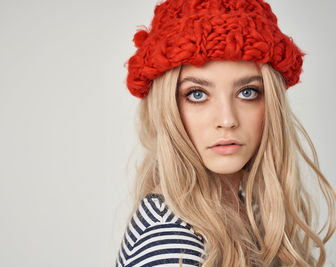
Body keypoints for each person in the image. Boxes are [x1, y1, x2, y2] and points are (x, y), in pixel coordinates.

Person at [115, 0, 336, 266]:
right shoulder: (170, 241)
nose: (227, 120)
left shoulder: (248, 208)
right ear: (167, 108)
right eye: (197, 94)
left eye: (247, 92)